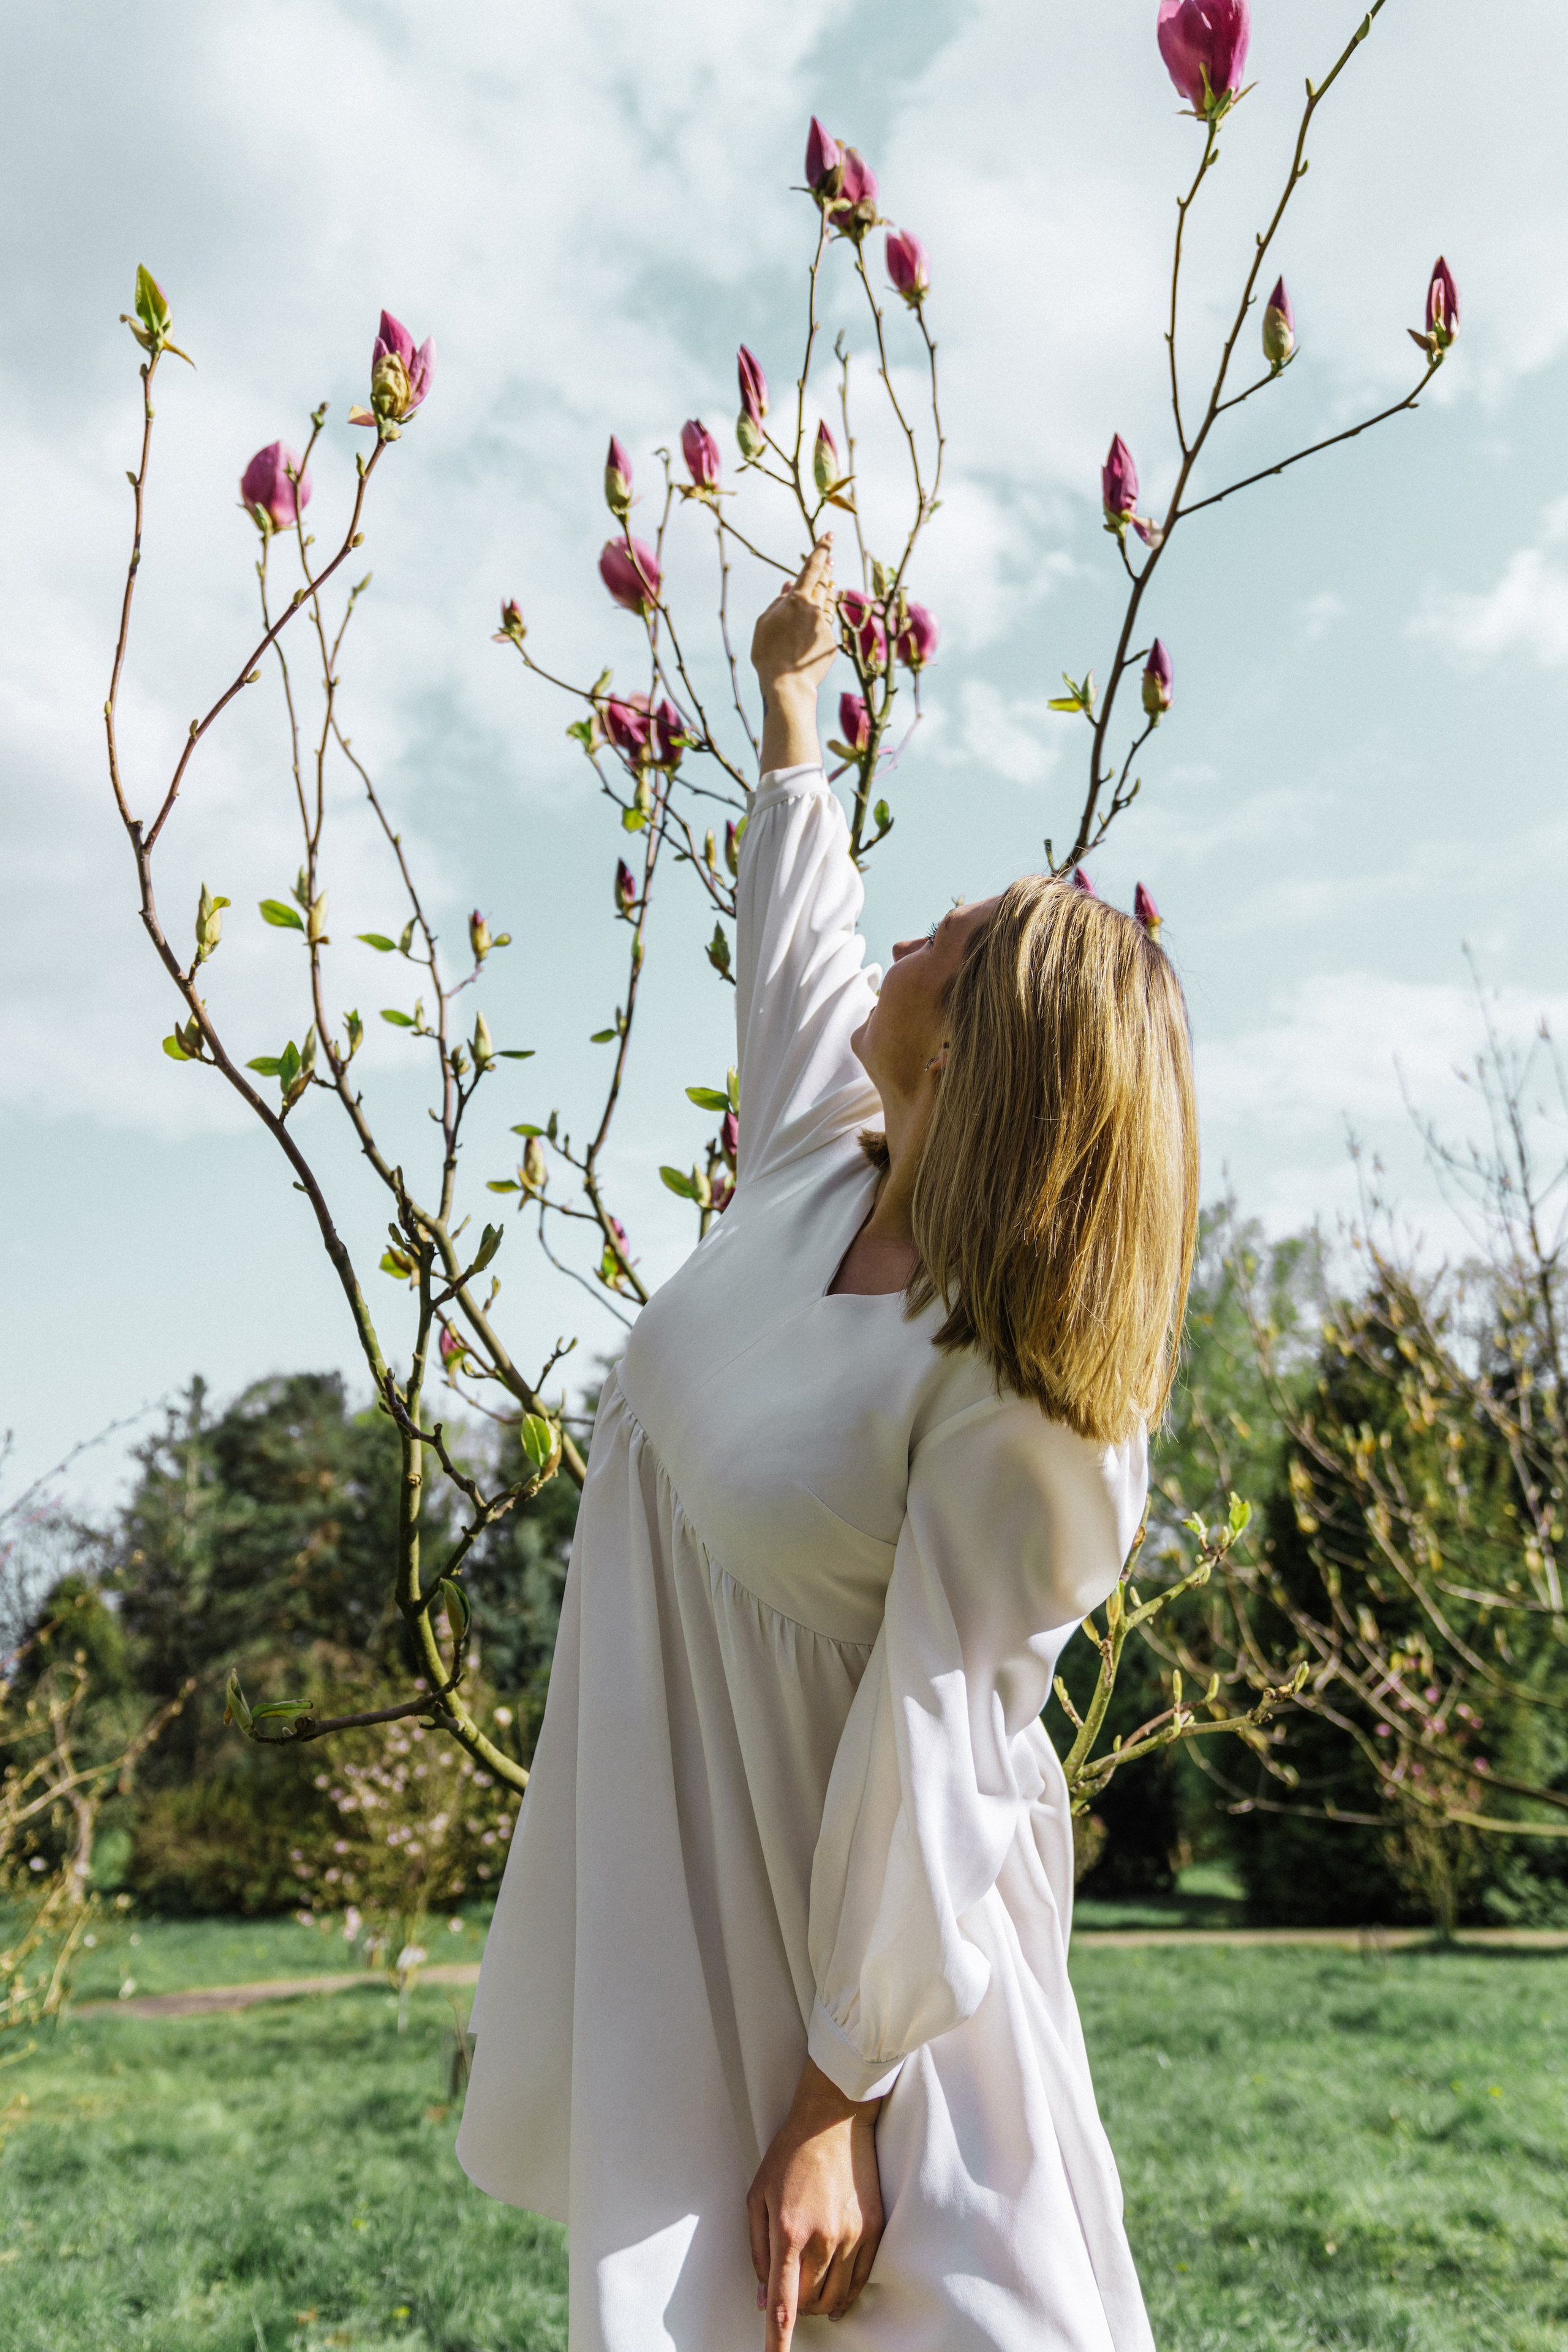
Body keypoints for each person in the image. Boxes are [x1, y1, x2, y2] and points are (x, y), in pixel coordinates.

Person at [457, 537, 1199, 2352]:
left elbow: (942, 1742)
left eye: (956, 938)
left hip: (876, 1983)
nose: (919, 931)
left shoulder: (1017, 1398)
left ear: (995, 1057)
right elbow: (799, 957)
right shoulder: (817, 1167)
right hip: (695, 1884)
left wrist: (834, 2102)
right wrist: (792, 699)